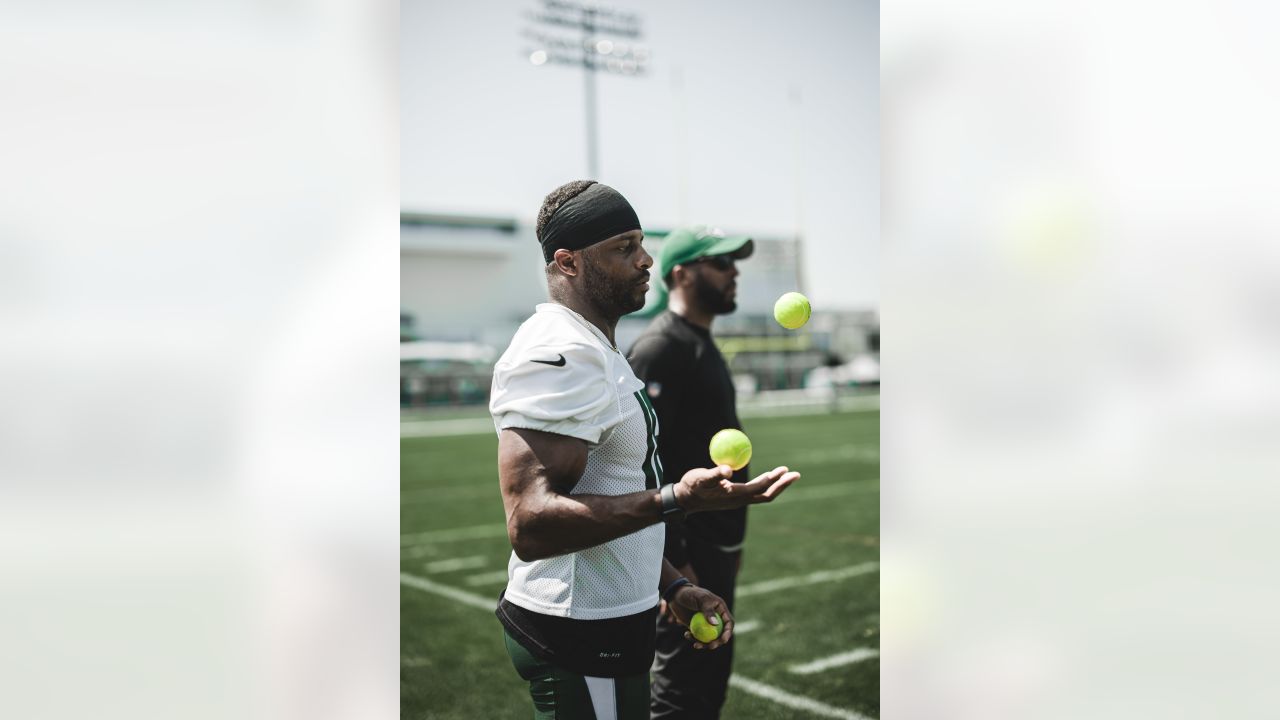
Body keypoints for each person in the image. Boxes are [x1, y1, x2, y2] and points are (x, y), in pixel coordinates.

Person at [490, 181, 800, 719]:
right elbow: (531, 523)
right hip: (577, 628)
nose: (645, 260)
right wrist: (677, 499)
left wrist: (672, 583)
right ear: (568, 262)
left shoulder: (598, 349)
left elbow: (609, 489)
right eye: (624, 248)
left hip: (614, 622)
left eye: (641, 243)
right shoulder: (559, 350)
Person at [625, 225, 757, 719]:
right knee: (683, 696)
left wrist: (731, 546)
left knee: (706, 691)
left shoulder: (698, 342)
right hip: (685, 558)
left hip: (713, 548)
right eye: (721, 263)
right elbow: (638, 464)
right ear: (681, 273)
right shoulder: (662, 347)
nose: (734, 273)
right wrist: (674, 568)